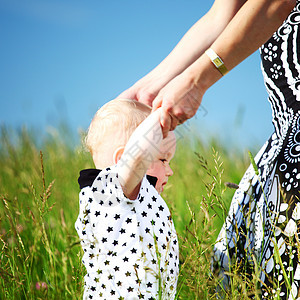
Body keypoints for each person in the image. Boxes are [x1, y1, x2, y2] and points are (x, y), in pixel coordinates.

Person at [119, 0, 300, 298]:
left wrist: (197, 79)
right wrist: (146, 89)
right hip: (282, 144)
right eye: (163, 159)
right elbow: (222, 14)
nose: (171, 169)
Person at [75, 99, 179, 300]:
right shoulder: (111, 192)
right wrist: (164, 114)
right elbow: (137, 156)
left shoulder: (135, 197)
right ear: (123, 159)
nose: (170, 171)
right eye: (163, 159)